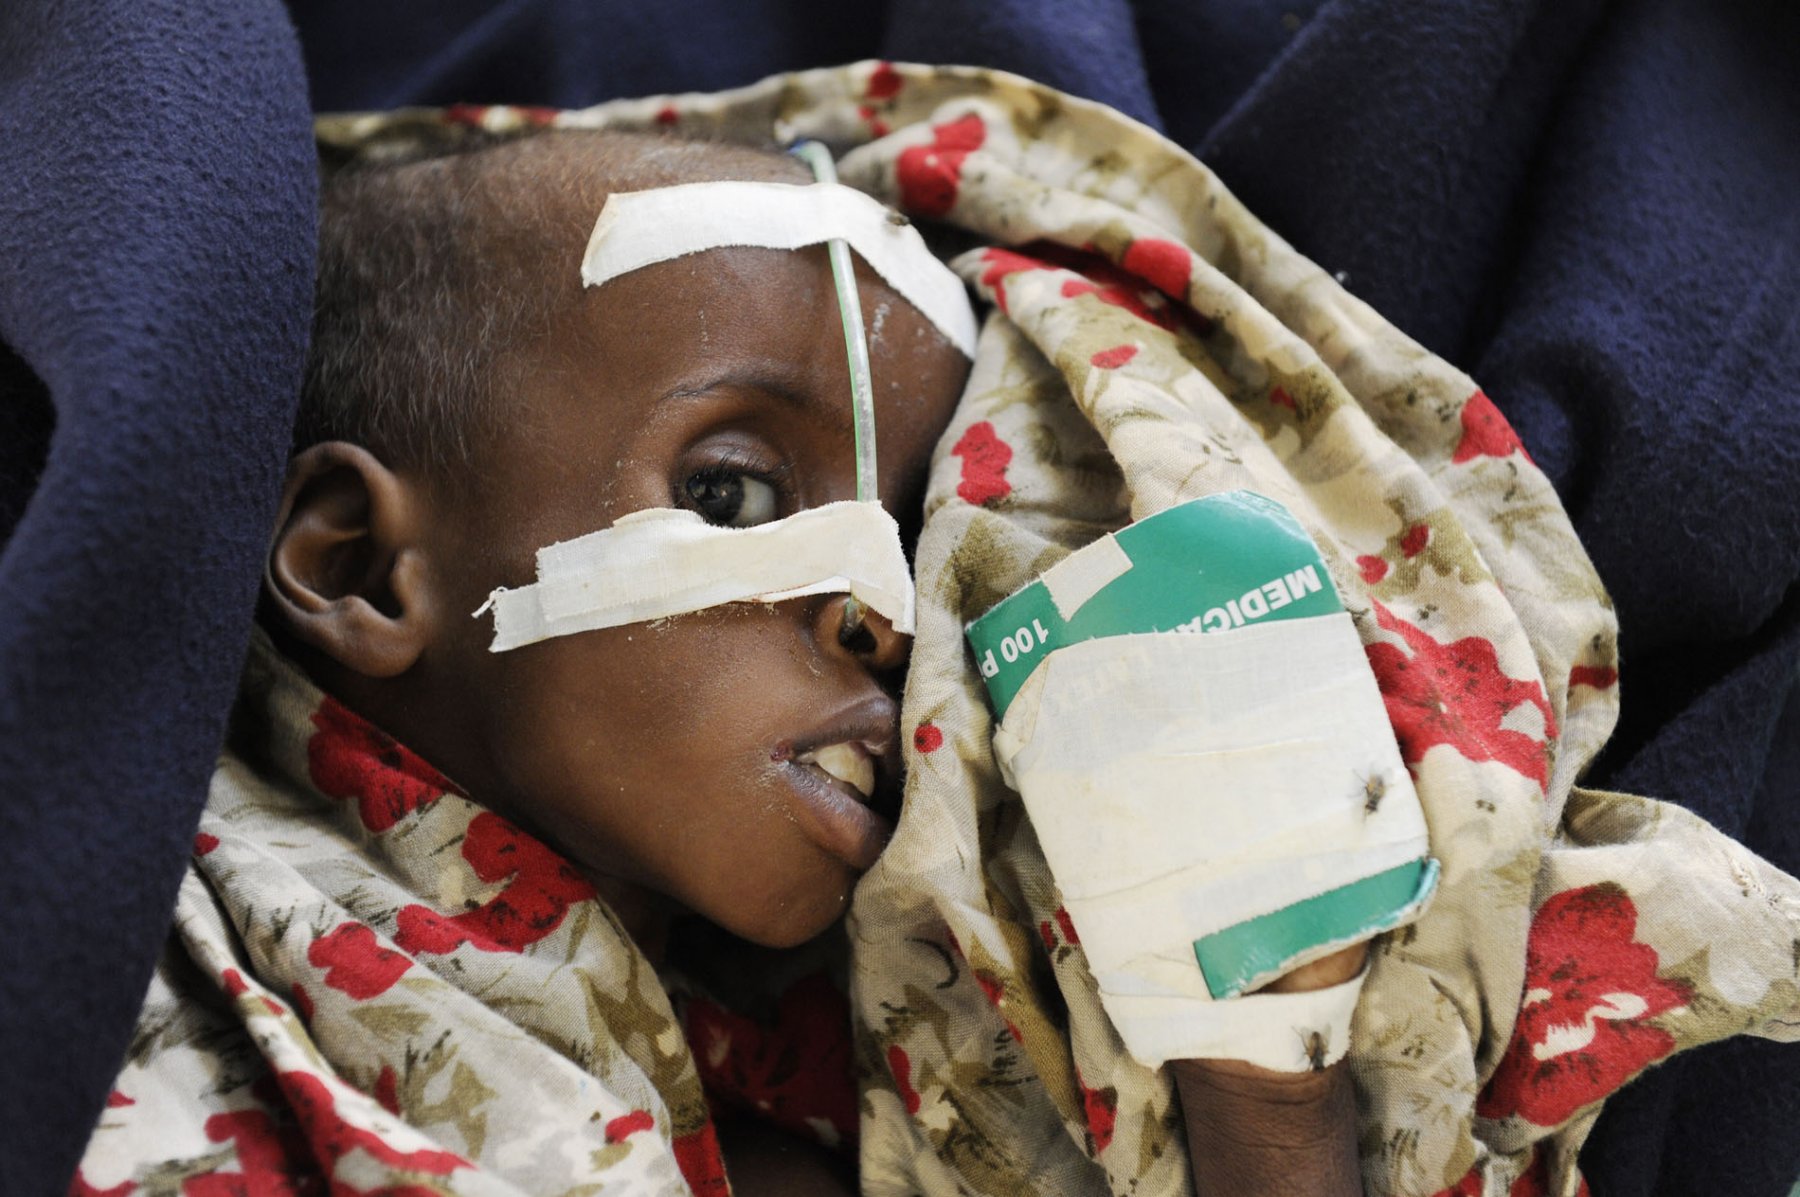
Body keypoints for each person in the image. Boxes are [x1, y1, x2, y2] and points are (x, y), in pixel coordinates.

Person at [69, 126, 1375, 1196]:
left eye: (913, 537)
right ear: (358, 563)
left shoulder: (800, 1135)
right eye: (737, 495)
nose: (887, 611)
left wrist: (1263, 1069)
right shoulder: (95, 937)